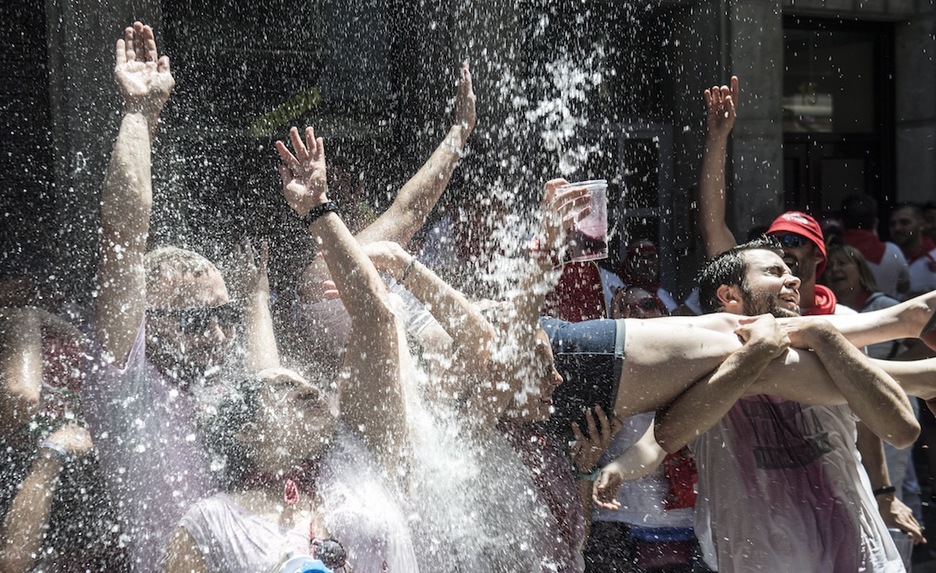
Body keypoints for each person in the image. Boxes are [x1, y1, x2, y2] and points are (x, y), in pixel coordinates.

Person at [164, 125, 419, 571]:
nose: (307, 386)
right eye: (284, 386)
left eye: (302, 382)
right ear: (244, 432)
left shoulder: (359, 444)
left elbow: (375, 316)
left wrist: (318, 211)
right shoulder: (211, 523)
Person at [80, 23, 279, 568]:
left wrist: (255, 298)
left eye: (223, 317)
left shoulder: (225, 389)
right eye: (195, 322)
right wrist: (140, 114)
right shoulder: (126, 377)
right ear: (145, 321)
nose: (217, 334)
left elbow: (271, 384)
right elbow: (124, 232)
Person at [697, 74, 924, 541]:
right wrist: (718, 139)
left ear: (818, 258)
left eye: (798, 245)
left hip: (836, 506)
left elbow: (870, 417)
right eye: (778, 245)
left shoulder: (846, 323)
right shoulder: (751, 309)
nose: (786, 253)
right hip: (760, 509)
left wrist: (884, 494)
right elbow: (713, 224)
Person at [651, 238, 913, 571]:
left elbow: (901, 431)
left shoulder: (834, 340)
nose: (793, 279)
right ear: (729, 295)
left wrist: (823, 335)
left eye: (792, 271)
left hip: (862, 558)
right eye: (775, 271)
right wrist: (756, 356)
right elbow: (668, 435)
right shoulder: (699, 362)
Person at [289, 61, 477, 371]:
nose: (338, 189)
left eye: (340, 181)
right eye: (327, 183)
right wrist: (460, 130)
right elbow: (409, 213)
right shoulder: (321, 274)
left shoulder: (355, 259)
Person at [839, 193, 910, 299]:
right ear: (875, 223)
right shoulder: (893, 252)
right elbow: (905, 287)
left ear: (841, 223)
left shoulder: (832, 258)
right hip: (889, 313)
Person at [890, 202, 936, 297]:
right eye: (893, 224)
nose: (897, 228)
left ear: (921, 224)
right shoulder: (887, 258)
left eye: (905, 222)